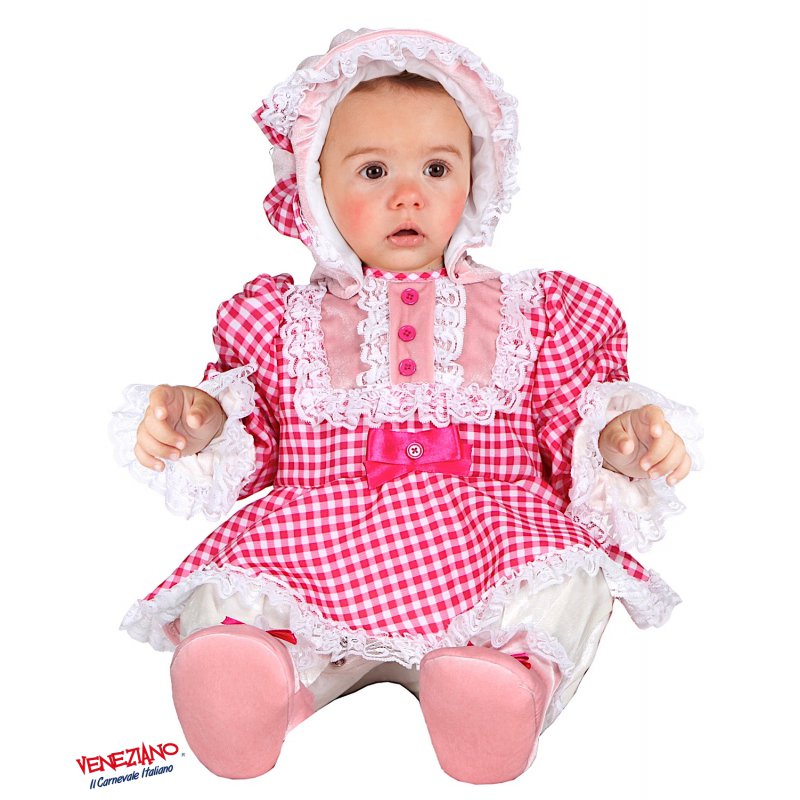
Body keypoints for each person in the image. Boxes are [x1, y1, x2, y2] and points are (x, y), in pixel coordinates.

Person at [111, 28, 700, 785]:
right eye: (373, 170)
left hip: (489, 540)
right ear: (314, 186)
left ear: (478, 178)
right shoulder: (280, 322)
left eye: (436, 168)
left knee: (569, 576)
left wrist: (616, 438)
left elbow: (566, 423)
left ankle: (499, 690)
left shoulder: (536, 314)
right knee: (234, 588)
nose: (408, 195)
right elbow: (257, 434)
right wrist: (204, 420)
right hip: (319, 539)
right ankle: (254, 684)